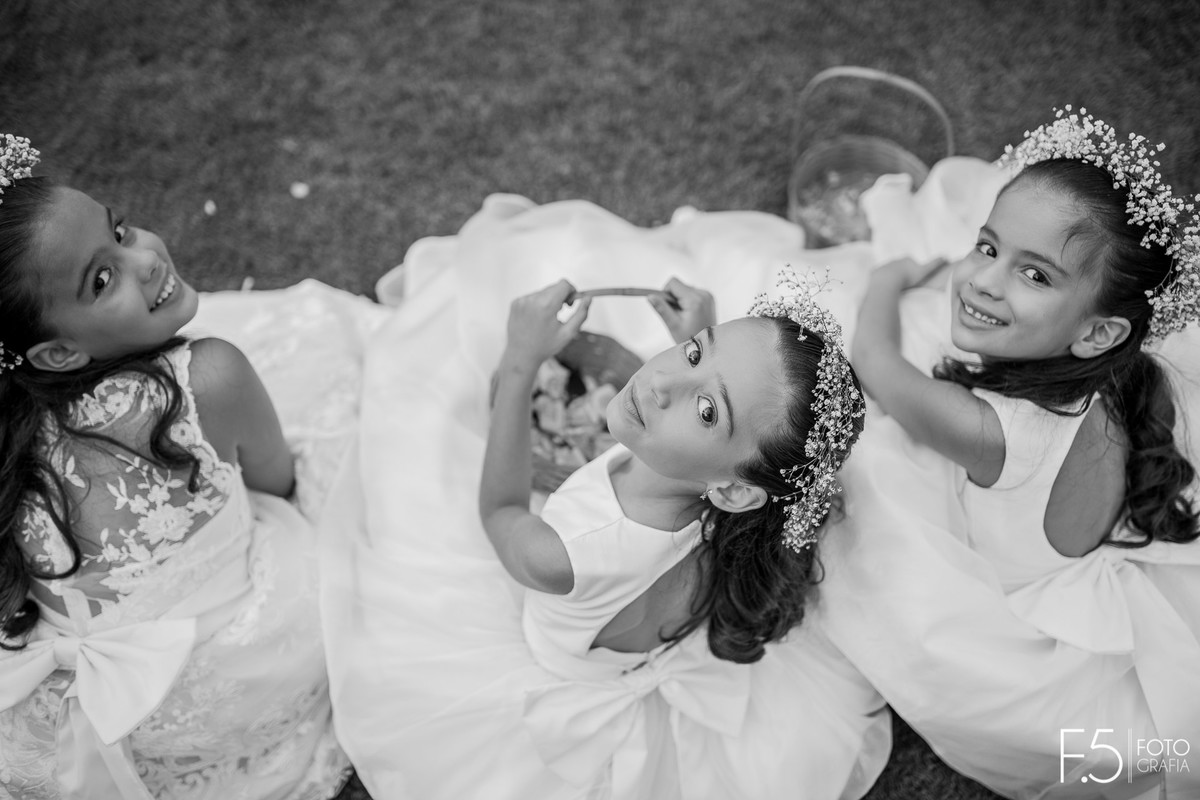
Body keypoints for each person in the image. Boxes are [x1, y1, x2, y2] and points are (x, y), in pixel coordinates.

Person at [318, 265, 891, 799]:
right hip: (638, 630)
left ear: (736, 491)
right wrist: (709, 360)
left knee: (404, 491)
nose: (664, 382)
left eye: (708, 411)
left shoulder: (562, 554)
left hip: (564, 655)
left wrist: (520, 362)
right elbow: (721, 408)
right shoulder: (732, 508)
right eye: (693, 352)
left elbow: (500, 508)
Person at [834, 109, 1200, 797]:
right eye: (986, 245)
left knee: (863, 496)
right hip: (1066, 551)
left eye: (1035, 276)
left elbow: (874, 360)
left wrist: (886, 277)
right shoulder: (1122, 376)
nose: (983, 281)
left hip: (1017, 608)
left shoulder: (988, 429)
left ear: (1097, 332)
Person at [0, 135, 349, 800]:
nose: (145, 258)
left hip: (95, 723)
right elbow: (278, 482)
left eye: (121, 229)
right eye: (101, 280)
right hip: (243, 682)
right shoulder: (209, 377)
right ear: (58, 355)